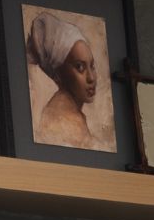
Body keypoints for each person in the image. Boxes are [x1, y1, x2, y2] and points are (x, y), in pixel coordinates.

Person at [26, 9, 111, 148]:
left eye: (92, 66)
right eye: (80, 67)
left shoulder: (70, 115)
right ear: (59, 74)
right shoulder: (63, 121)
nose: (91, 78)